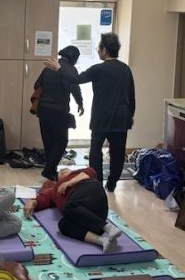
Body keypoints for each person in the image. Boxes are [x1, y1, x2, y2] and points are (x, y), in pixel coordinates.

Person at [44, 32, 135, 192]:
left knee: (95, 152)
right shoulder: (125, 69)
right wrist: (130, 116)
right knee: (118, 153)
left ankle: (97, 183)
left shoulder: (98, 69)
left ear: (104, 50)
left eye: (99, 48)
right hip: (121, 119)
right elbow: (131, 96)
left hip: (101, 118)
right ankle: (112, 184)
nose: (98, 50)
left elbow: (76, 80)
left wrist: (59, 69)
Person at [23, 167, 122, 252]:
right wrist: (33, 202)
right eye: (61, 172)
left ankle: (110, 228)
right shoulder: (53, 190)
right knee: (63, 224)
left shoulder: (78, 174)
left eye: (66, 170)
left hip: (93, 193)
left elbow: (91, 171)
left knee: (68, 207)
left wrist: (70, 182)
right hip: (91, 219)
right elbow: (43, 200)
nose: (63, 171)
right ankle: (103, 241)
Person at [34, 45, 84, 181]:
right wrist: (80, 103)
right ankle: (48, 171)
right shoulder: (71, 70)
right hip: (59, 110)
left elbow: (37, 85)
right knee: (62, 141)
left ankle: (51, 171)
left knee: (49, 141)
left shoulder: (49, 68)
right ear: (73, 58)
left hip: (43, 109)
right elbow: (75, 88)